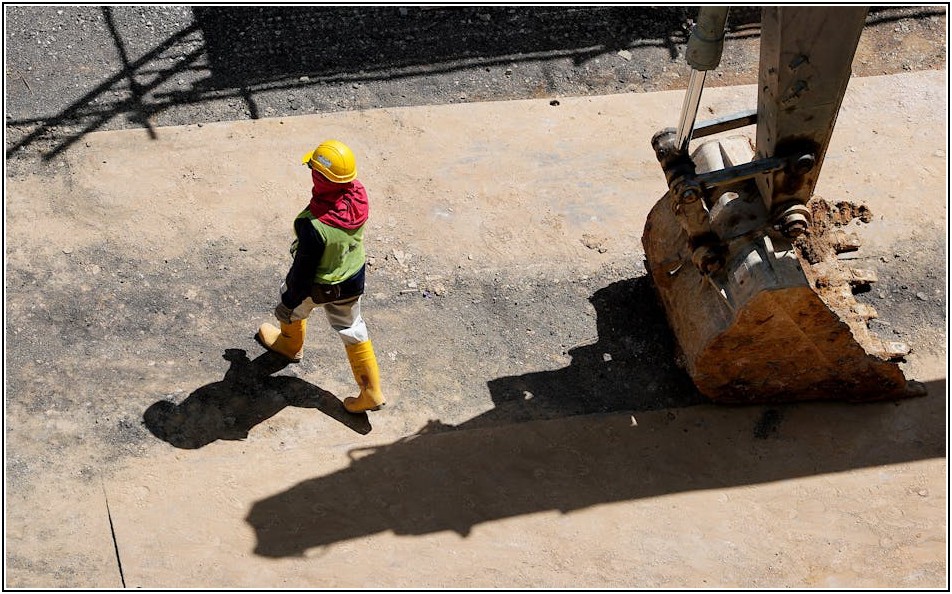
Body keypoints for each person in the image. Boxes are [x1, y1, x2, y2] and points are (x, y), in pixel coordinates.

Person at [257, 139, 385, 414]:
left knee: (291, 306)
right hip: (352, 276)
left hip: (320, 286)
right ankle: (371, 392)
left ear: (321, 177)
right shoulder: (357, 196)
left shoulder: (313, 225)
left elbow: (302, 274)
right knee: (352, 328)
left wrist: (288, 301)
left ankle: (290, 346)